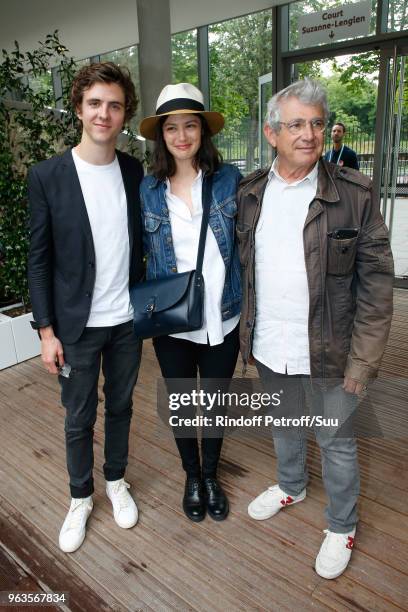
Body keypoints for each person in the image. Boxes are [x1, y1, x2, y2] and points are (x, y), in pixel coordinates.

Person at [237, 79, 393, 579]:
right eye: (296, 124)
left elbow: (376, 286)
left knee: (336, 441)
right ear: (271, 133)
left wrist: (364, 362)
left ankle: (342, 523)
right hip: (269, 343)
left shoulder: (355, 194)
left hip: (332, 349)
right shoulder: (250, 193)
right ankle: (291, 485)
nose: (309, 134)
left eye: (317, 123)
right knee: (284, 424)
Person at [28, 62, 144, 553]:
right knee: (78, 417)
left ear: (124, 115)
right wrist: (46, 331)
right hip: (75, 327)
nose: (104, 113)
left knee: (120, 406)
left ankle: (116, 480)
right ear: (79, 108)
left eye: (114, 105)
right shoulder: (48, 176)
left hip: (127, 322)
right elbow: (39, 259)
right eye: (95, 103)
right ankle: (81, 497)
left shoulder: (135, 171)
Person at [139, 83, 242, 522]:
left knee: (216, 402)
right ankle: (192, 475)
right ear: (162, 135)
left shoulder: (230, 180)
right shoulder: (146, 190)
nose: (182, 136)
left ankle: (213, 475)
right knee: (181, 403)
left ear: (203, 131)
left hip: (223, 315)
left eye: (191, 125)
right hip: (171, 320)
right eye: (172, 128)